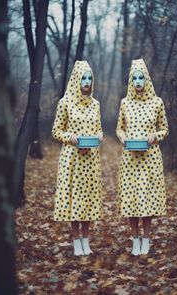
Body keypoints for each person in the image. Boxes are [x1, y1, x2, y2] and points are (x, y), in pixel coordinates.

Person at [116, 58, 169, 255]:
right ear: (131, 81)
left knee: (147, 199)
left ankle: (146, 239)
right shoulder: (125, 102)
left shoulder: (157, 102)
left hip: (150, 158)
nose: (138, 81)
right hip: (130, 158)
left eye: (141, 78)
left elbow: (165, 128)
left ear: (146, 80)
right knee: (132, 199)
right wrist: (122, 137)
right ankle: (135, 240)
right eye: (134, 78)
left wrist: (157, 136)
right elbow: (119, 127)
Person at [52, 60, 103, 256]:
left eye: (90, 78)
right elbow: (56, 131)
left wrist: (100, 135)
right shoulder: (64, 102)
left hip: (90, 159)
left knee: (88, 198)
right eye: (83, 78)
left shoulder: (95, 104)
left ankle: (86, 240)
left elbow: (98, 127)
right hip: (72, 158)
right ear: (76, 79)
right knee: (75, 199)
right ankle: (76, 241)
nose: (87, 81)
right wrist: (68, 137)